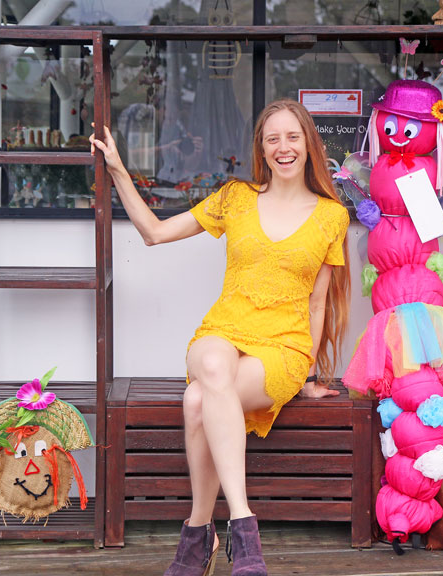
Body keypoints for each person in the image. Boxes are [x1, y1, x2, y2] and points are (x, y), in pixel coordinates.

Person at [90, 99, 351, 576]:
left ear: (308, 143)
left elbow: (317, 305)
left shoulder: (332, 216)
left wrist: (311, 372)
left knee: (196, 402)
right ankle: (245, 527)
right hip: (223, 332)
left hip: (283, 349)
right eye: (272, 138)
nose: (283, 147)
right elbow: (153, 232)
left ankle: (198, 534)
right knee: (211, 367)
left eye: (292, 136)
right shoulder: (236, 197)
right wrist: (119, 171)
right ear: (262, 149)